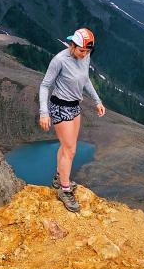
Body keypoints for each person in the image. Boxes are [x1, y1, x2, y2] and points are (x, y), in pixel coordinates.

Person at [39, 27, 105, 212]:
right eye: (81, 50)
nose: (84, 54)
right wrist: (44, 113)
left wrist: (97, 100)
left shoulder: (85, 57)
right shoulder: (60, 60)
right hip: (59, 106)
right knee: (70, 150)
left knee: (67, 147)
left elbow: (85, 80)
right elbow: (45, 86)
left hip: (75, 105)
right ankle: (65, 190)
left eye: (87, 51)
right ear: (72, 45)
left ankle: (59, 178)